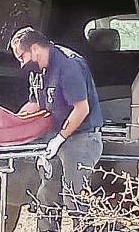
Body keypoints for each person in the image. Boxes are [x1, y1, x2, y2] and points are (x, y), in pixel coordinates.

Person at [10, 27, 103, 232]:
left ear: (34, 49)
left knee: (75, 197)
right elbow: (36, 103)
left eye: (21, 56)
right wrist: (12, 122)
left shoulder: (68, 65)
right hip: (56, 136)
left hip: (82, 137)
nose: (21, 63)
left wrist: (60, 138)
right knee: (47, 194)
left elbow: (81, 108)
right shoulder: (38, 71)